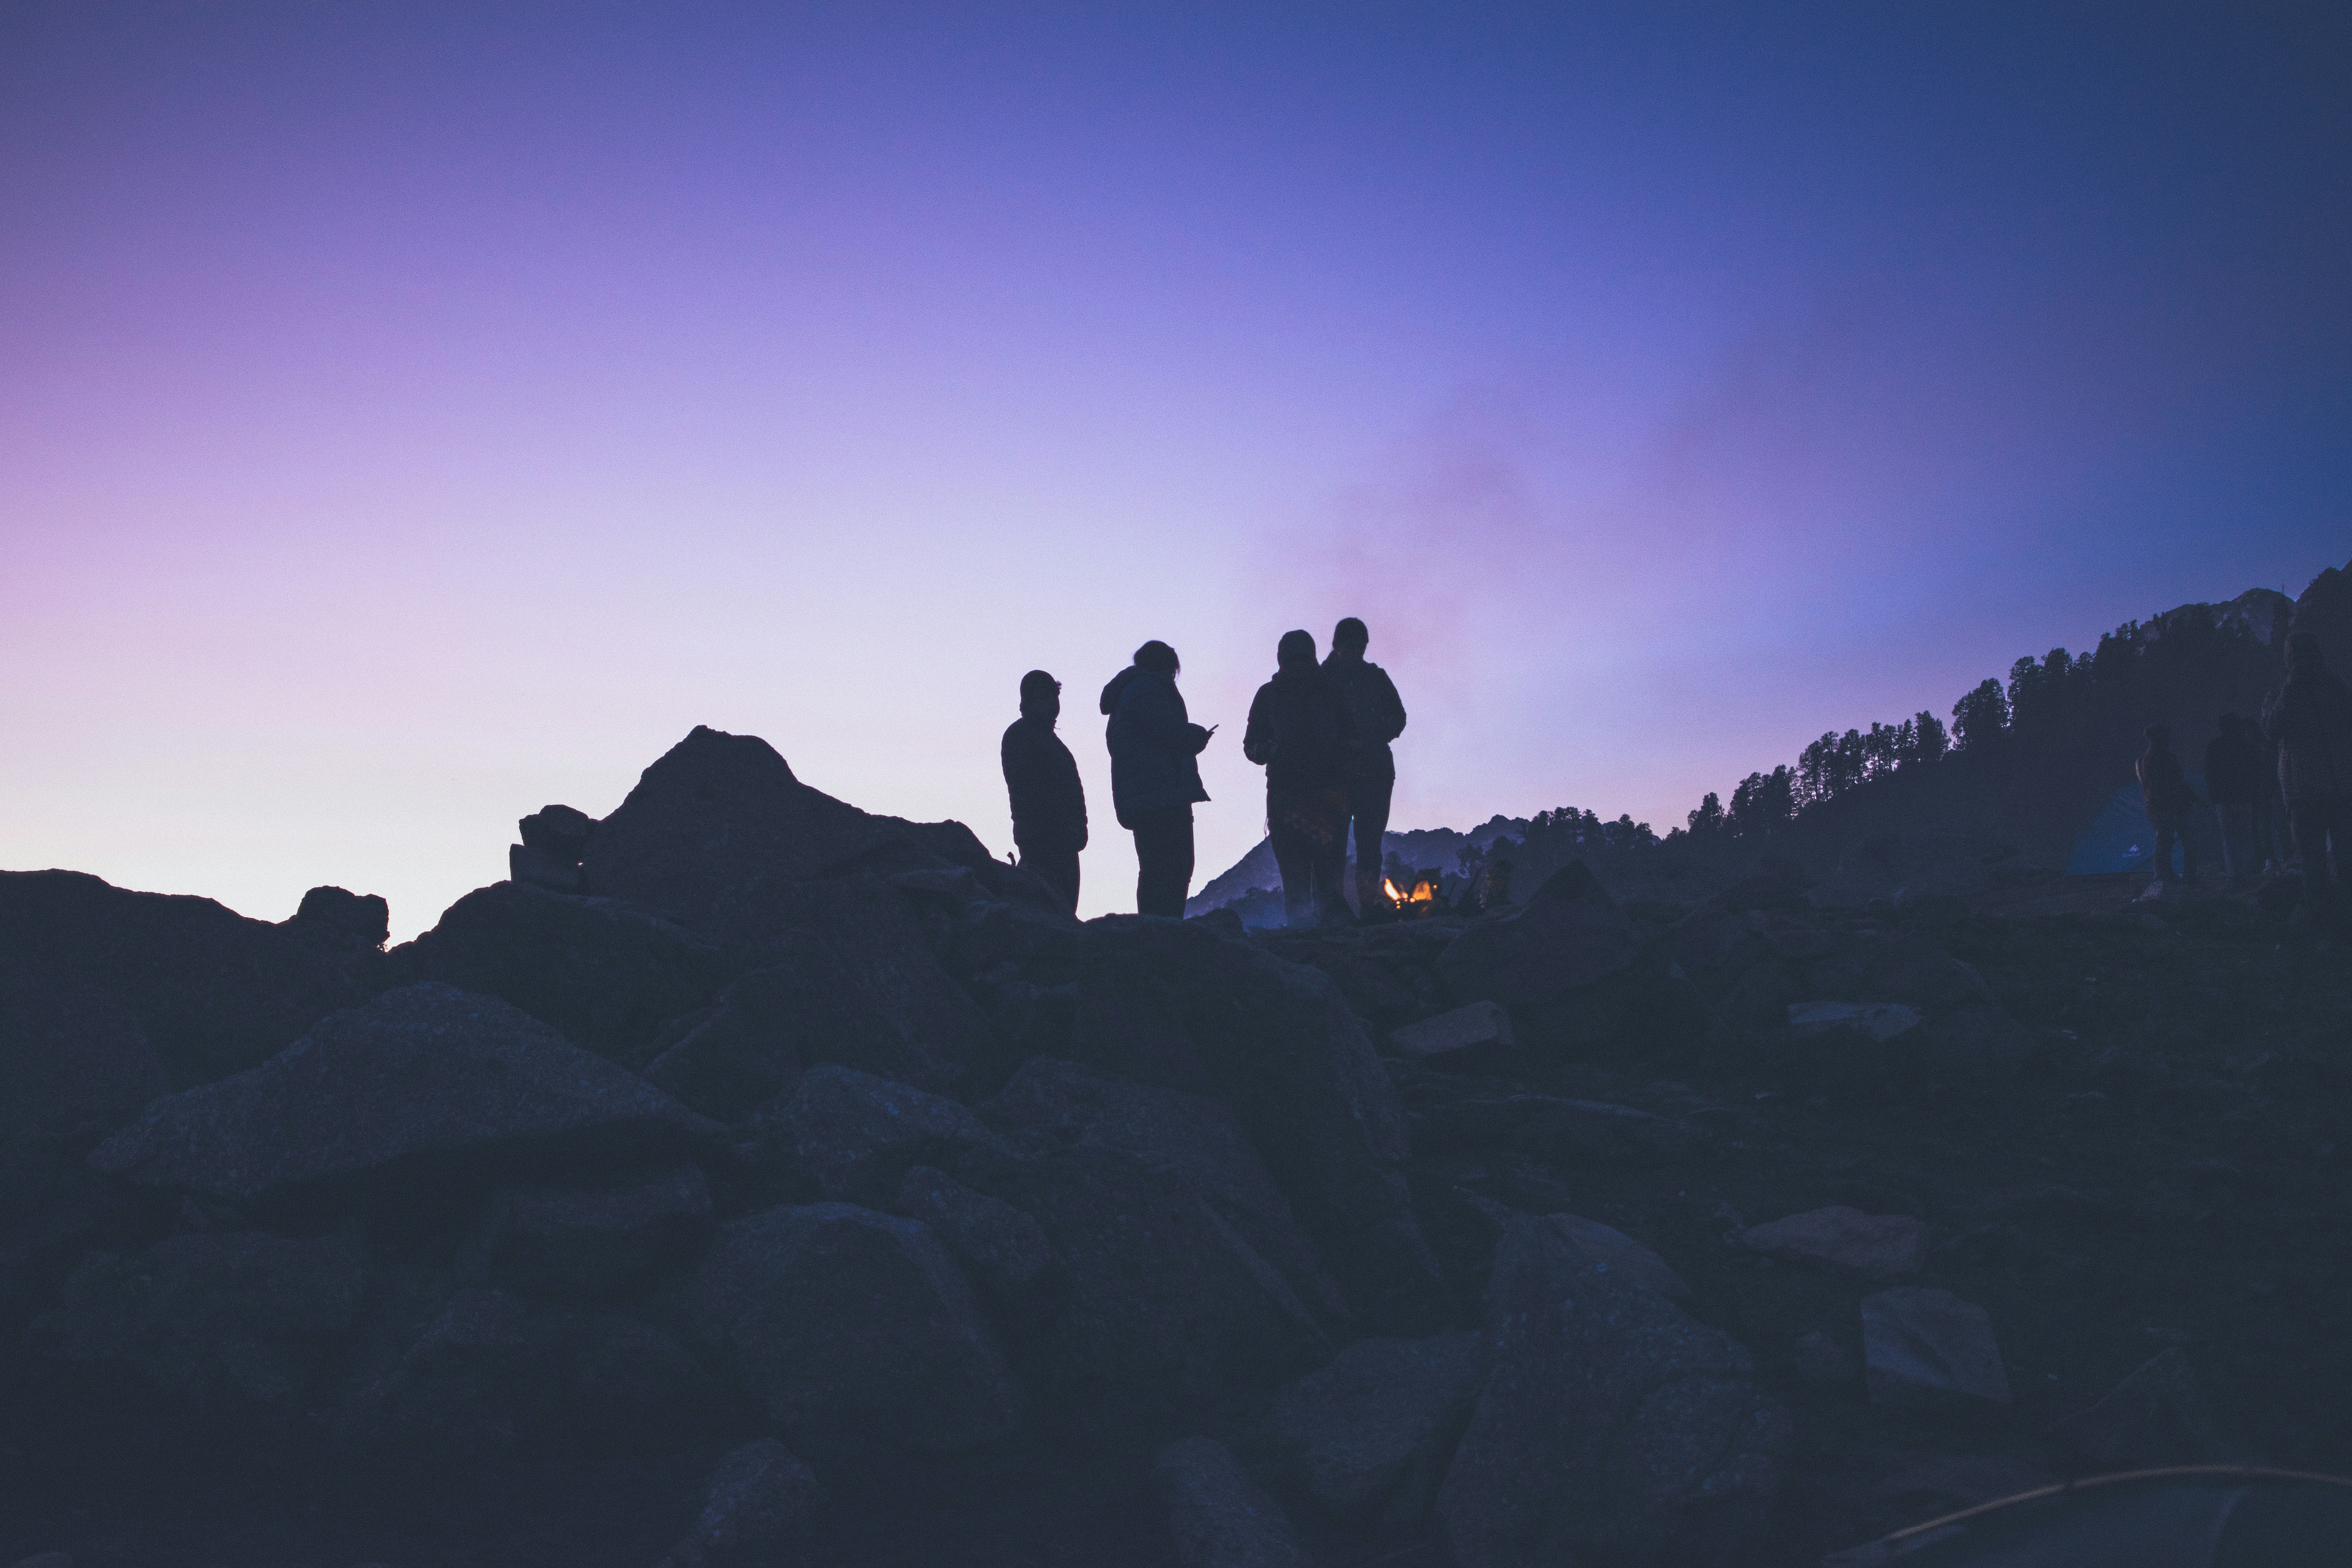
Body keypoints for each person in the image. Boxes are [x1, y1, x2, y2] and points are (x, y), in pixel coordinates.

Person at [1244, 629, 1356, 927]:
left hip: (1326, 795)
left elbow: (1351, 735)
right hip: (1289, 797)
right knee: (1295, 878)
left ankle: (1331, 940)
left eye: (1302, 660)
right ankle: (1304, 937)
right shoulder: (1269, 696)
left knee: (1329, 877)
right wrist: (1272, 750)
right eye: (1292, 661)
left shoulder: (1330, 692)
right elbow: (1251, 745)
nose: (1298, 667)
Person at [1101, 641, 1213, 916]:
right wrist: (1197, 737)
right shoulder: (1148, 689)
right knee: (1174, 868)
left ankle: (1154, 931)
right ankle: (1164, 933)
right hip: (1163, 796)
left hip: (1143, 798)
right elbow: (1168, 732)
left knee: (1155, 869)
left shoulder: (1128, 692)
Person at [2262, 631, 2352, 918]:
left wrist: (2268, 708)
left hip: (2304, 791)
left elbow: (2273, 731)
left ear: (2290, 657)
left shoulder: (2291, 691)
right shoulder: (2336, 686)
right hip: (2341, 787)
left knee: (2314, 866)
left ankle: (2323, 926)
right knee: (2346, 860)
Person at [1323, 617, 1408, 921]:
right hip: (1338, 775)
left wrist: (1371, 738)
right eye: (1351, 646)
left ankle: (1368, 906)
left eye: (1361, 647)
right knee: (1334, 846)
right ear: (1338, 645)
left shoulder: (1375, 677)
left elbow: (1398, 717)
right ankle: (1334, 909)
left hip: (1374, 772)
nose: (1357, 652)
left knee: (1369, 844)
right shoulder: (1322, 681)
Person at [1001, 670, 1086, 914]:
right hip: (1041, 843)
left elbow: (1073, 793)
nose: (1053, 703)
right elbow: (1028, 790)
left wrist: (1080, 828)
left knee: (1064, 913)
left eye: (1054, 696)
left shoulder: (1055, 745)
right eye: (1046, 696)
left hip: (1066, 843)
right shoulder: (1020, 736)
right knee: (1047, 913)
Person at [2203, 713, 2267, 883]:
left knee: (2229, 839)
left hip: (2225, 800)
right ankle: (2247, 874)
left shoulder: (2215, 746)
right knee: (2246, 837)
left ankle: (2234, 875)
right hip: (2245, 798)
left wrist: (2214, 795)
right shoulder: (2247, 746)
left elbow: (2209, 773)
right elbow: (2257, 771)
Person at [2136, 725, 2200, 886]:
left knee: (2164, 843)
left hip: (2157, 808)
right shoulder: (2164, 759)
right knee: (2185, 843)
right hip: (2172, 807)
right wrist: (2195, 800)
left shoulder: (2142, 761)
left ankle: (2164, 878)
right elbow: (2176, 784)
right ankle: (2183, 878)